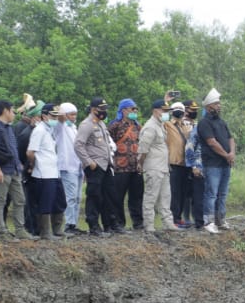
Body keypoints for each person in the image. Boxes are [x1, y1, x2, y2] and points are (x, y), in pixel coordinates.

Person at [0, 99, 33, 239]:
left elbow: (13, 148)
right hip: (2, 170)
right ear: (5, 111)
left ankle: (20, 229)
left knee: (20, 199)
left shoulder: (9, 127)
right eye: (12, 111)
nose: (13, 114)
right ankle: (1, 231)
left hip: (14, 169)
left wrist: (19, 165)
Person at [75, 96, 119, 237]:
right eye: (102, 109)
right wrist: (89, 162)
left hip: (106, 165)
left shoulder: (100, 123)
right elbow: (78, 145)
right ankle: (93, 226)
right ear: (94, 109)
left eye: (105, 108)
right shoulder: (87, 124)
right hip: (95, 166)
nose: (104, 111)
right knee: (94, 196)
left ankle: (109, 225)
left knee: (108, 195)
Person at [26, 103, 67, 239]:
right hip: (43, 173)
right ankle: (45, 232)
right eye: (52, 116)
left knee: (59, 200)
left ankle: (57, 229)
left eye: (56, 116)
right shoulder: (39, 131)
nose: (55, 118)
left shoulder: (50, 130)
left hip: (54, 172)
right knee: (45, 202)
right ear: (44, 116)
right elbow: (30, 152)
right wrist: (34, 165)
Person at [138, 99, 178, 234]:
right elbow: (143, 149)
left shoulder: (160, 125)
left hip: (163, 167)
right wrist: (141, 164)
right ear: (156, 111)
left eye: (167, 111)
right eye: (164, 111)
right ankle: (148, 224)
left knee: (166, 197)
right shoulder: (150, 126)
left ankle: (168, 222)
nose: (166, 113)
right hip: (153, 167)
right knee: (151, 196)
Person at [197, 88, 235, 233]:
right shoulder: (204, 123)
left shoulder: (221, 122)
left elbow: (231, 138)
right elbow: (212, 142)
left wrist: (232, 153)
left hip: (225, 164)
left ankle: (221, 220)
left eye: (219, 103)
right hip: (212, 164)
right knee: (211, 193)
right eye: (216, 103)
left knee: (223, 193)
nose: (219, 106)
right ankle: (209, 221)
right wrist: (227, 155)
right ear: (209, 106)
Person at [109, 98, 145, 232]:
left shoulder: (138, 126)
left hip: (136, 167)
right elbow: (108, 144)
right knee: (118, 197)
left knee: (137, 196)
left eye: (136, 109)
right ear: (123, 110)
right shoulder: (115, 125)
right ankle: (119, 223)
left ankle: (138, 223)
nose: (134, 111)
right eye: (132, 109)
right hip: (120, 167)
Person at [13, 94, 42, 236]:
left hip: (33, 169)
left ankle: (35, 227)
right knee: (26, 201)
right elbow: (20, 151)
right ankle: (29, 227)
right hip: (26, 169)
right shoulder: (21, 129)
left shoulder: (35, 130)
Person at [54, 103, 83, 234]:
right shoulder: (61, 127)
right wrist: (61, 112)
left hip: (77, 166)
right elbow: (59, 119)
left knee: (77, 197)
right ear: (65, 115)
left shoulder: (74, 128)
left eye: (75, 114)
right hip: (67, 166)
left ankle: (74, 223)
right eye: (71, 114)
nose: (74, 117)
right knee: (70, 197)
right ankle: (69, 224)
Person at [164, 99, 192, 229]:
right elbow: (161, 119)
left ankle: (179, 217)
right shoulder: (167, 124)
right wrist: (166, 103)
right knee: (174, 192)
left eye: (181, 110)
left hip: (185, 163)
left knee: (183, 192)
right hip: (173, 162)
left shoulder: (185, 126)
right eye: (177, 110)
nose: (179, 112)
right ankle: (173, 218)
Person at [181, 100, 207, 230]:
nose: (194, 112)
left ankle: (194, 216)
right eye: (192, 110)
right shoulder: (181, 123)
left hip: (196, 161)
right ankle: (185, 217)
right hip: (182, 160)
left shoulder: (196, 124)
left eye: (196, 110)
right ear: (185, 109)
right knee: (185, 192)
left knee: (194, 192)